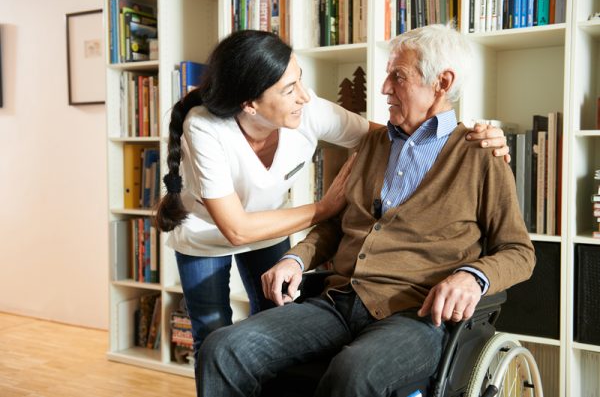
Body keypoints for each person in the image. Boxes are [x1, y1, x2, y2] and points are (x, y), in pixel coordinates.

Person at [155, 29, 510, 393]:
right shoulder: (205, 127)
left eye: (397, 76)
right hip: (228, 240)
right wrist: (300, 252)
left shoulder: (477, 155)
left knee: (350, 369)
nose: (383, 88)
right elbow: (303, 226)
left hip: (411, 310)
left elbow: (516, 249)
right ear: (250, 103)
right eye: (289, 88)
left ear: (442, 82)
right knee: (218, 343)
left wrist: (473, 274)